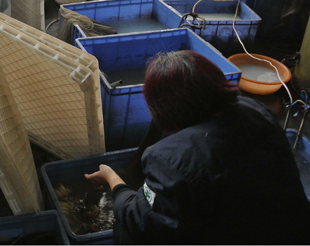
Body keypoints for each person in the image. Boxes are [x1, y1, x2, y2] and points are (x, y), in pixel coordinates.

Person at [85, 50, 310, 244]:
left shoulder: (171, 159)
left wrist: (114, 181)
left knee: (126, 228)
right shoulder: (255, 110)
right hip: (294, 229)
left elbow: (142, 221)